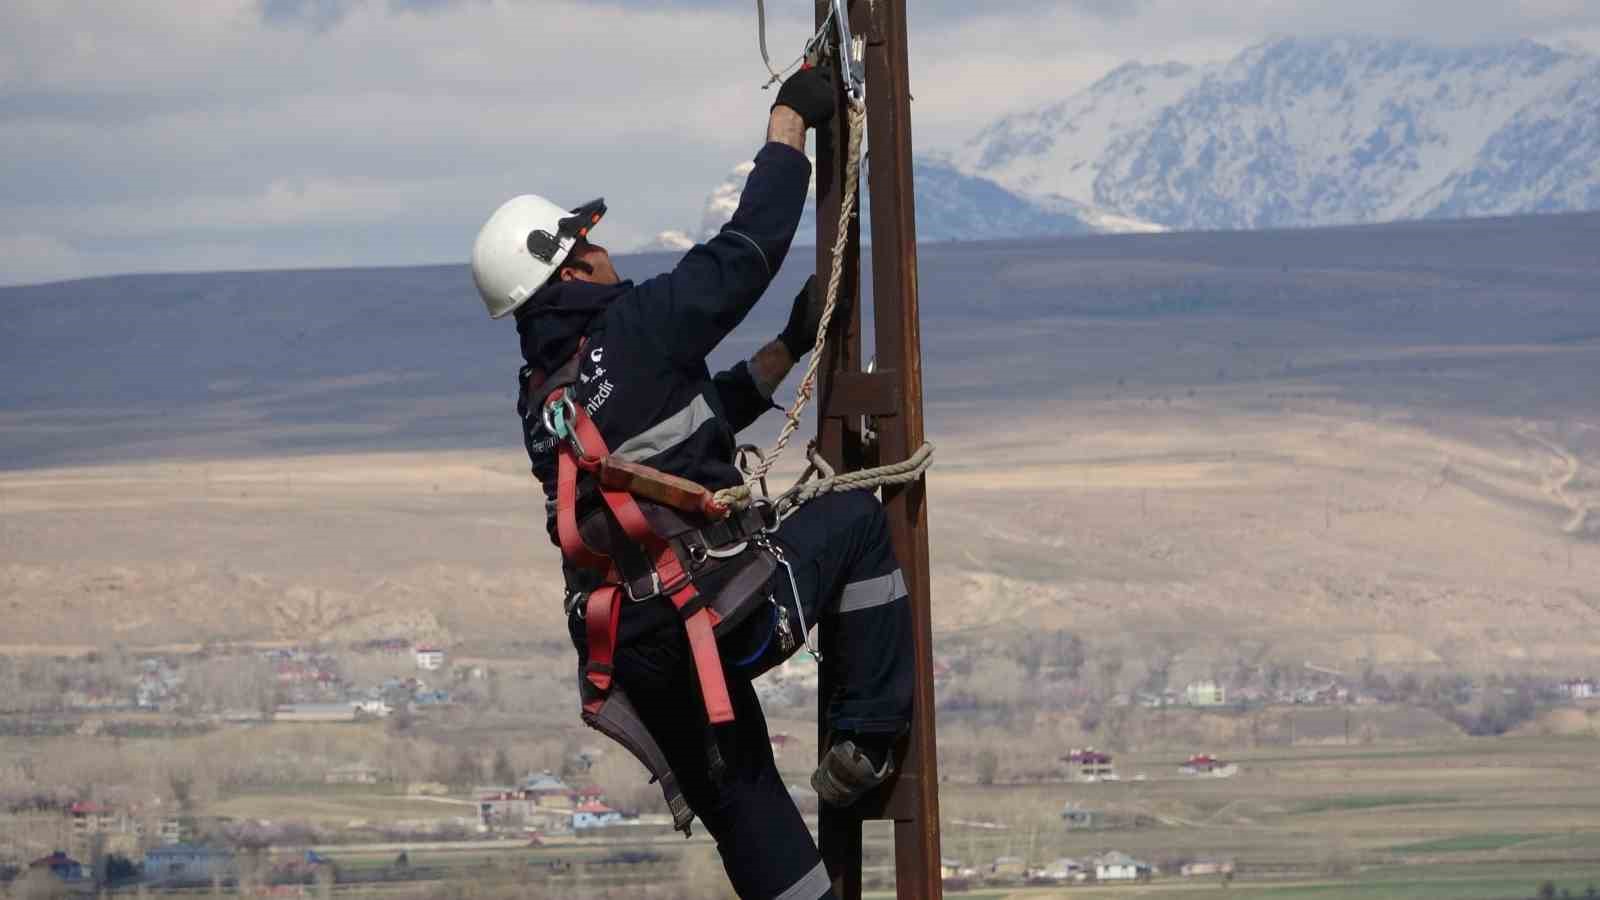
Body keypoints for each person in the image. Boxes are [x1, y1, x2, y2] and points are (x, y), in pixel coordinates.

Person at [469, 67, 912, 900]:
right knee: (855, 520)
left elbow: (684, 429)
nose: (604, 251)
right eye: (586, 246)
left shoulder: (546, 398)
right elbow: (746, 252)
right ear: (566, 273)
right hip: (708, 616)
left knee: (743, 799)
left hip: (635, 653)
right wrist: (789, 125)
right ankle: (870, 735)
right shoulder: (633, 330)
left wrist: (789, 346)